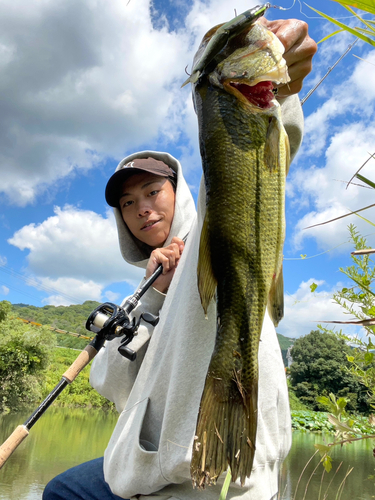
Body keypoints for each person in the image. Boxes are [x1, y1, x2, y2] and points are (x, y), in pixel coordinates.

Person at [43, 16, 317, 500]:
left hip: (208, 480)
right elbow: (112, 384)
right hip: (146, 467)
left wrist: (278, 91)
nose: (142, 208)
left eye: (152, 191)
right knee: (62, 489)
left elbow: (244, 161)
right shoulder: (147, 287)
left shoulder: (209, 233)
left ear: (183, 193)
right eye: (128, 203)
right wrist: (151, 301)